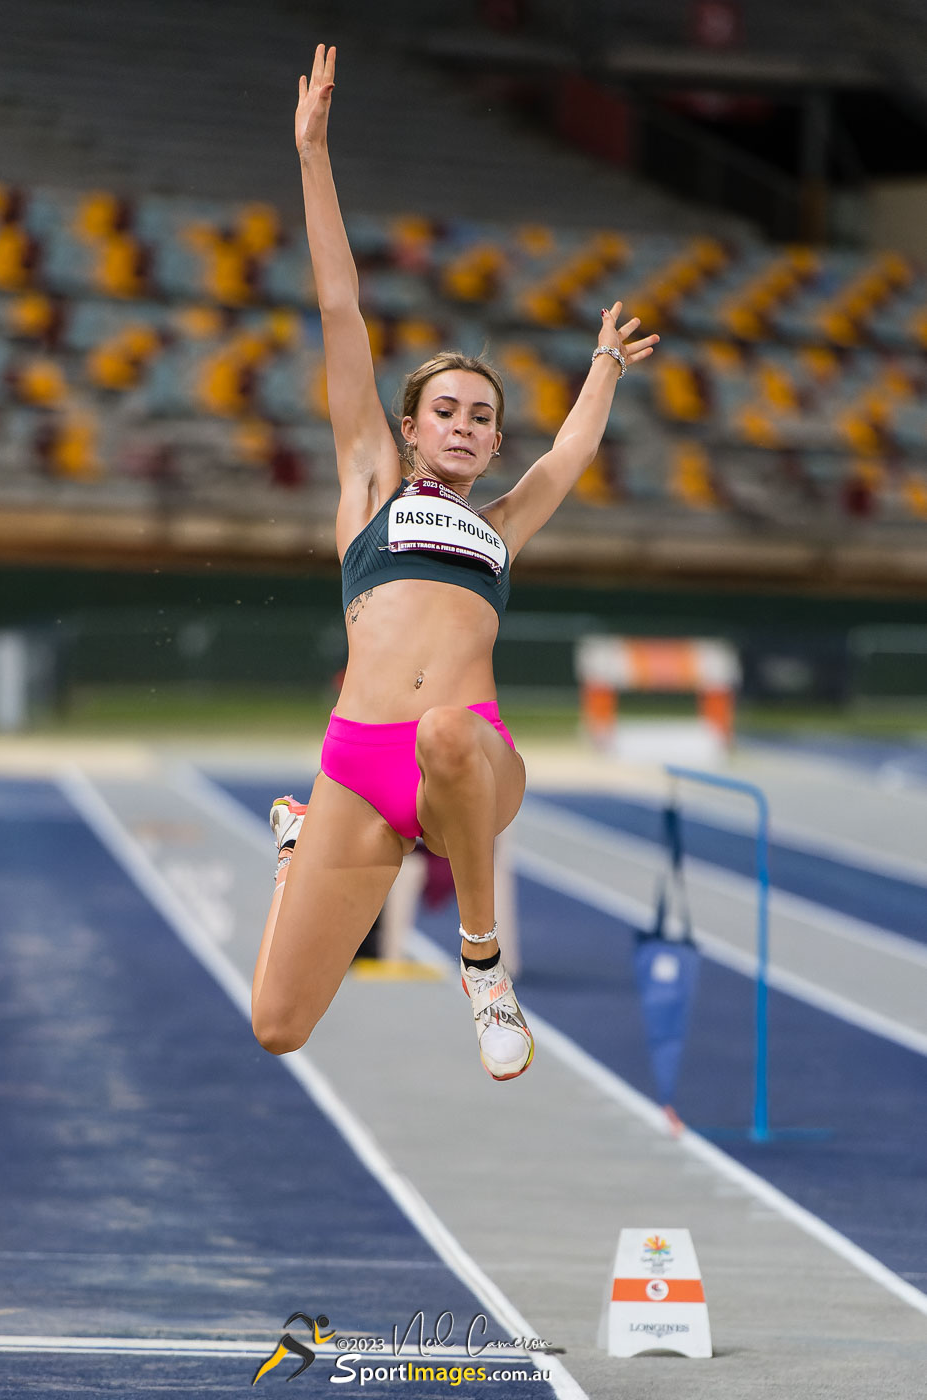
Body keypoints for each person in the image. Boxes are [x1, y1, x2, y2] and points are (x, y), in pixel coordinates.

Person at [251, 44, 658, 1080]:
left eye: (486, 416)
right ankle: (300, 850)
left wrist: (604, 369)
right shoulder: (371, 491)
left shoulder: (502, 526)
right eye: (450, 411)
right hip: (355, 763)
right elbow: (343, 312)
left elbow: (567, 453)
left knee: (443, 730)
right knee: (279, 1023)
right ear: (411, 425)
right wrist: (311, 154)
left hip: (467, 755)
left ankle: (482, 966)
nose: (471, 427)